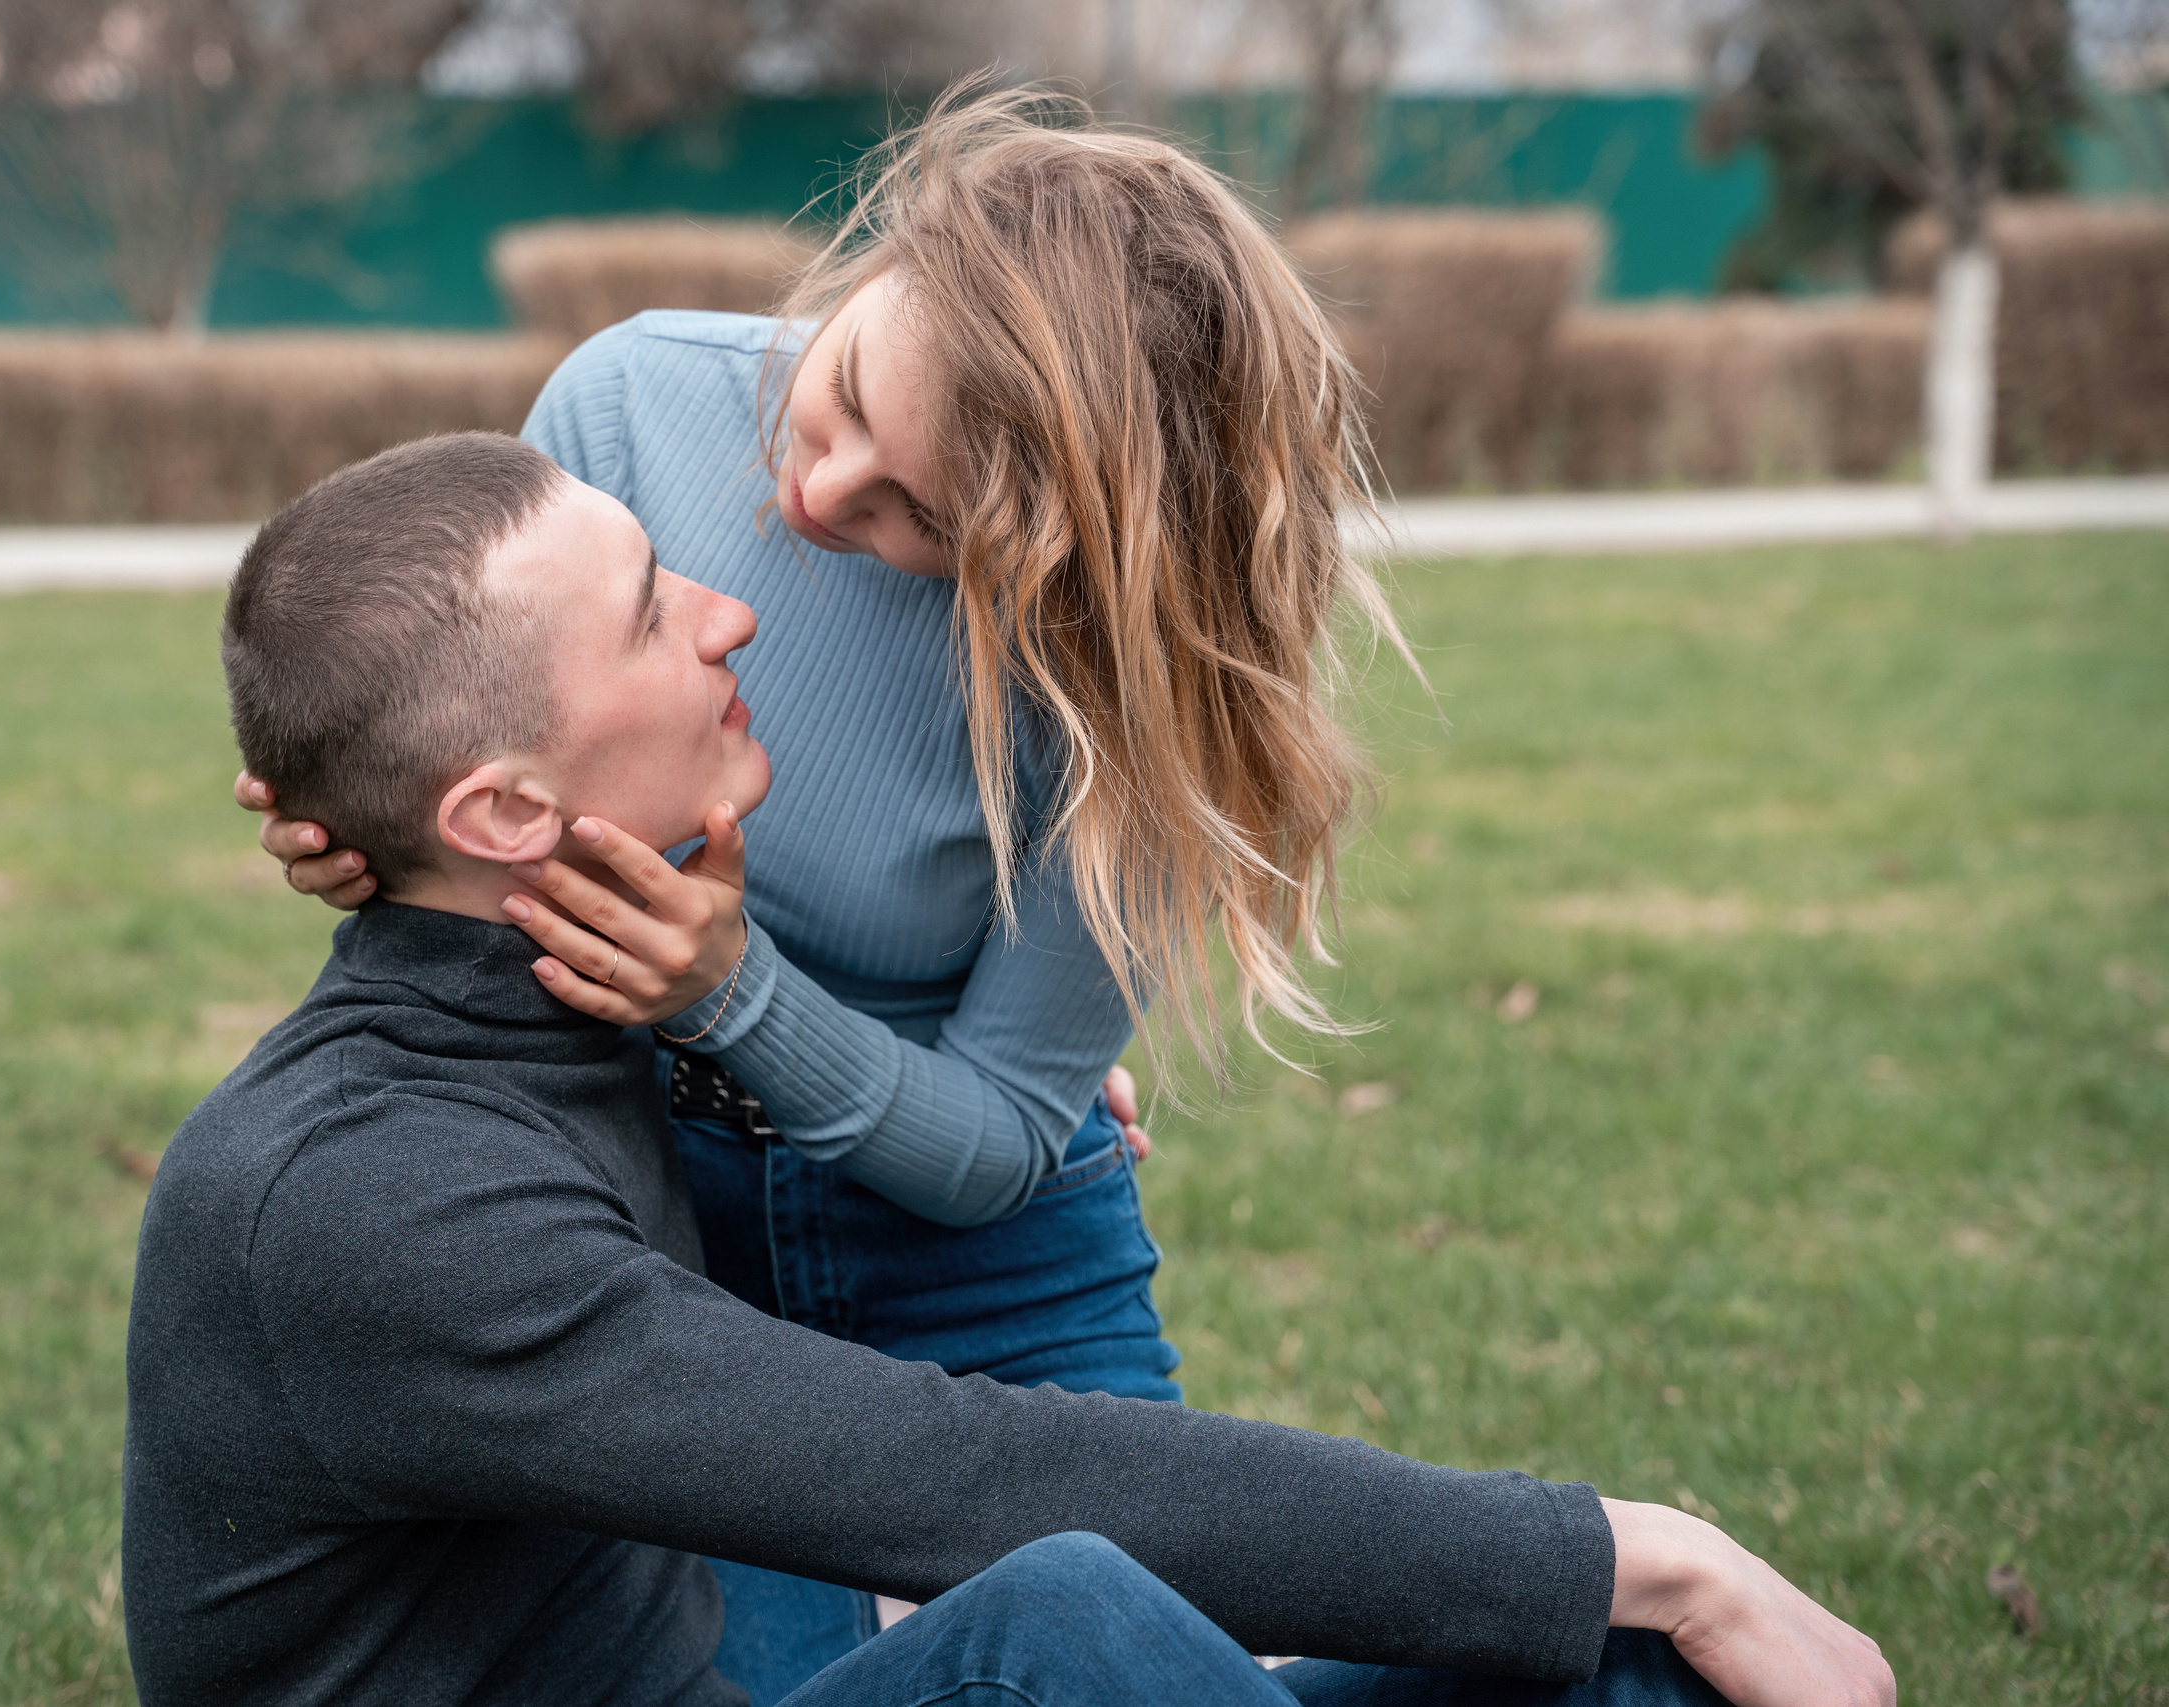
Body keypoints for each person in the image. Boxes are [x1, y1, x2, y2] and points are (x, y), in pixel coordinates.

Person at [137, 429, 1891, 1707]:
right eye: (659, 608)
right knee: (1056, 1625)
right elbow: (964, 1480)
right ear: (511, 812)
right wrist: (1629, 1542)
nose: (734, 617)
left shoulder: (539, 1004)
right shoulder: (373, 1206)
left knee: (1625, 1680)